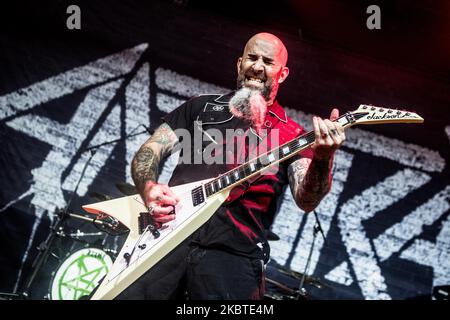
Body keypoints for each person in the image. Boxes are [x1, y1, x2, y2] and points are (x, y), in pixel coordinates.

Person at [118, 32, 345, 300]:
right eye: (252, 58)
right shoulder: (200, 108)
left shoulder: (292, 135)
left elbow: (307, 199)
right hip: (167, 240)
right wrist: (149, 188)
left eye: (268, 62)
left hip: (234, 259)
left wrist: (323, 158)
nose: (257, 67)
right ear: (239, 64)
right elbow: (150, 151)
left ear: (282, 74)